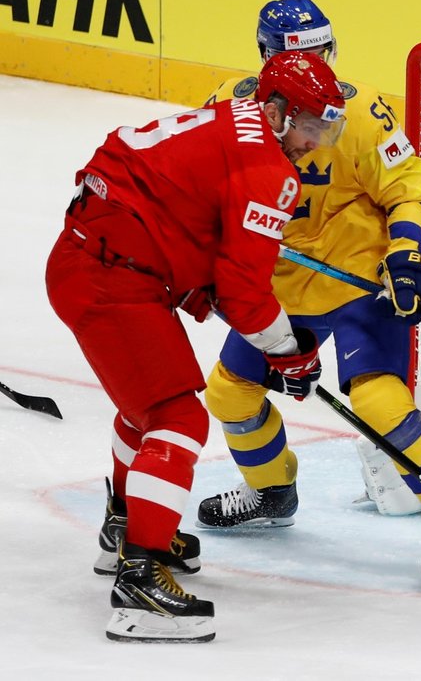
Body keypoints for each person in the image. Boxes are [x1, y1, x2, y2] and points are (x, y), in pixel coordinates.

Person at [194, 0, 421, 595]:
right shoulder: (228, 110)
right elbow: (202, 194)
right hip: (276, 288)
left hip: (359, 285)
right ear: (268, 60)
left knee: (382, 405)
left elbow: (407, 188)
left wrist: (405, 255)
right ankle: (273, 491)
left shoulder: (361, 115)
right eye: (301, 57)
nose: (319, 69)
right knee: (229, 394)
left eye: (322, 53)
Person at [47, 50, 346, 642]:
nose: (316, 140)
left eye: (326, 127)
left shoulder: (234, 117)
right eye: (312, 124)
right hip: (111, 276)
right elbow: (243, 293)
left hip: (96, 258)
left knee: (146, 408)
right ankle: (140, 583)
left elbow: (174, 200)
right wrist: (290, 352)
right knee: (177, 416)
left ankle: (125, 526)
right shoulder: (270, 171)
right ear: (280, 112)